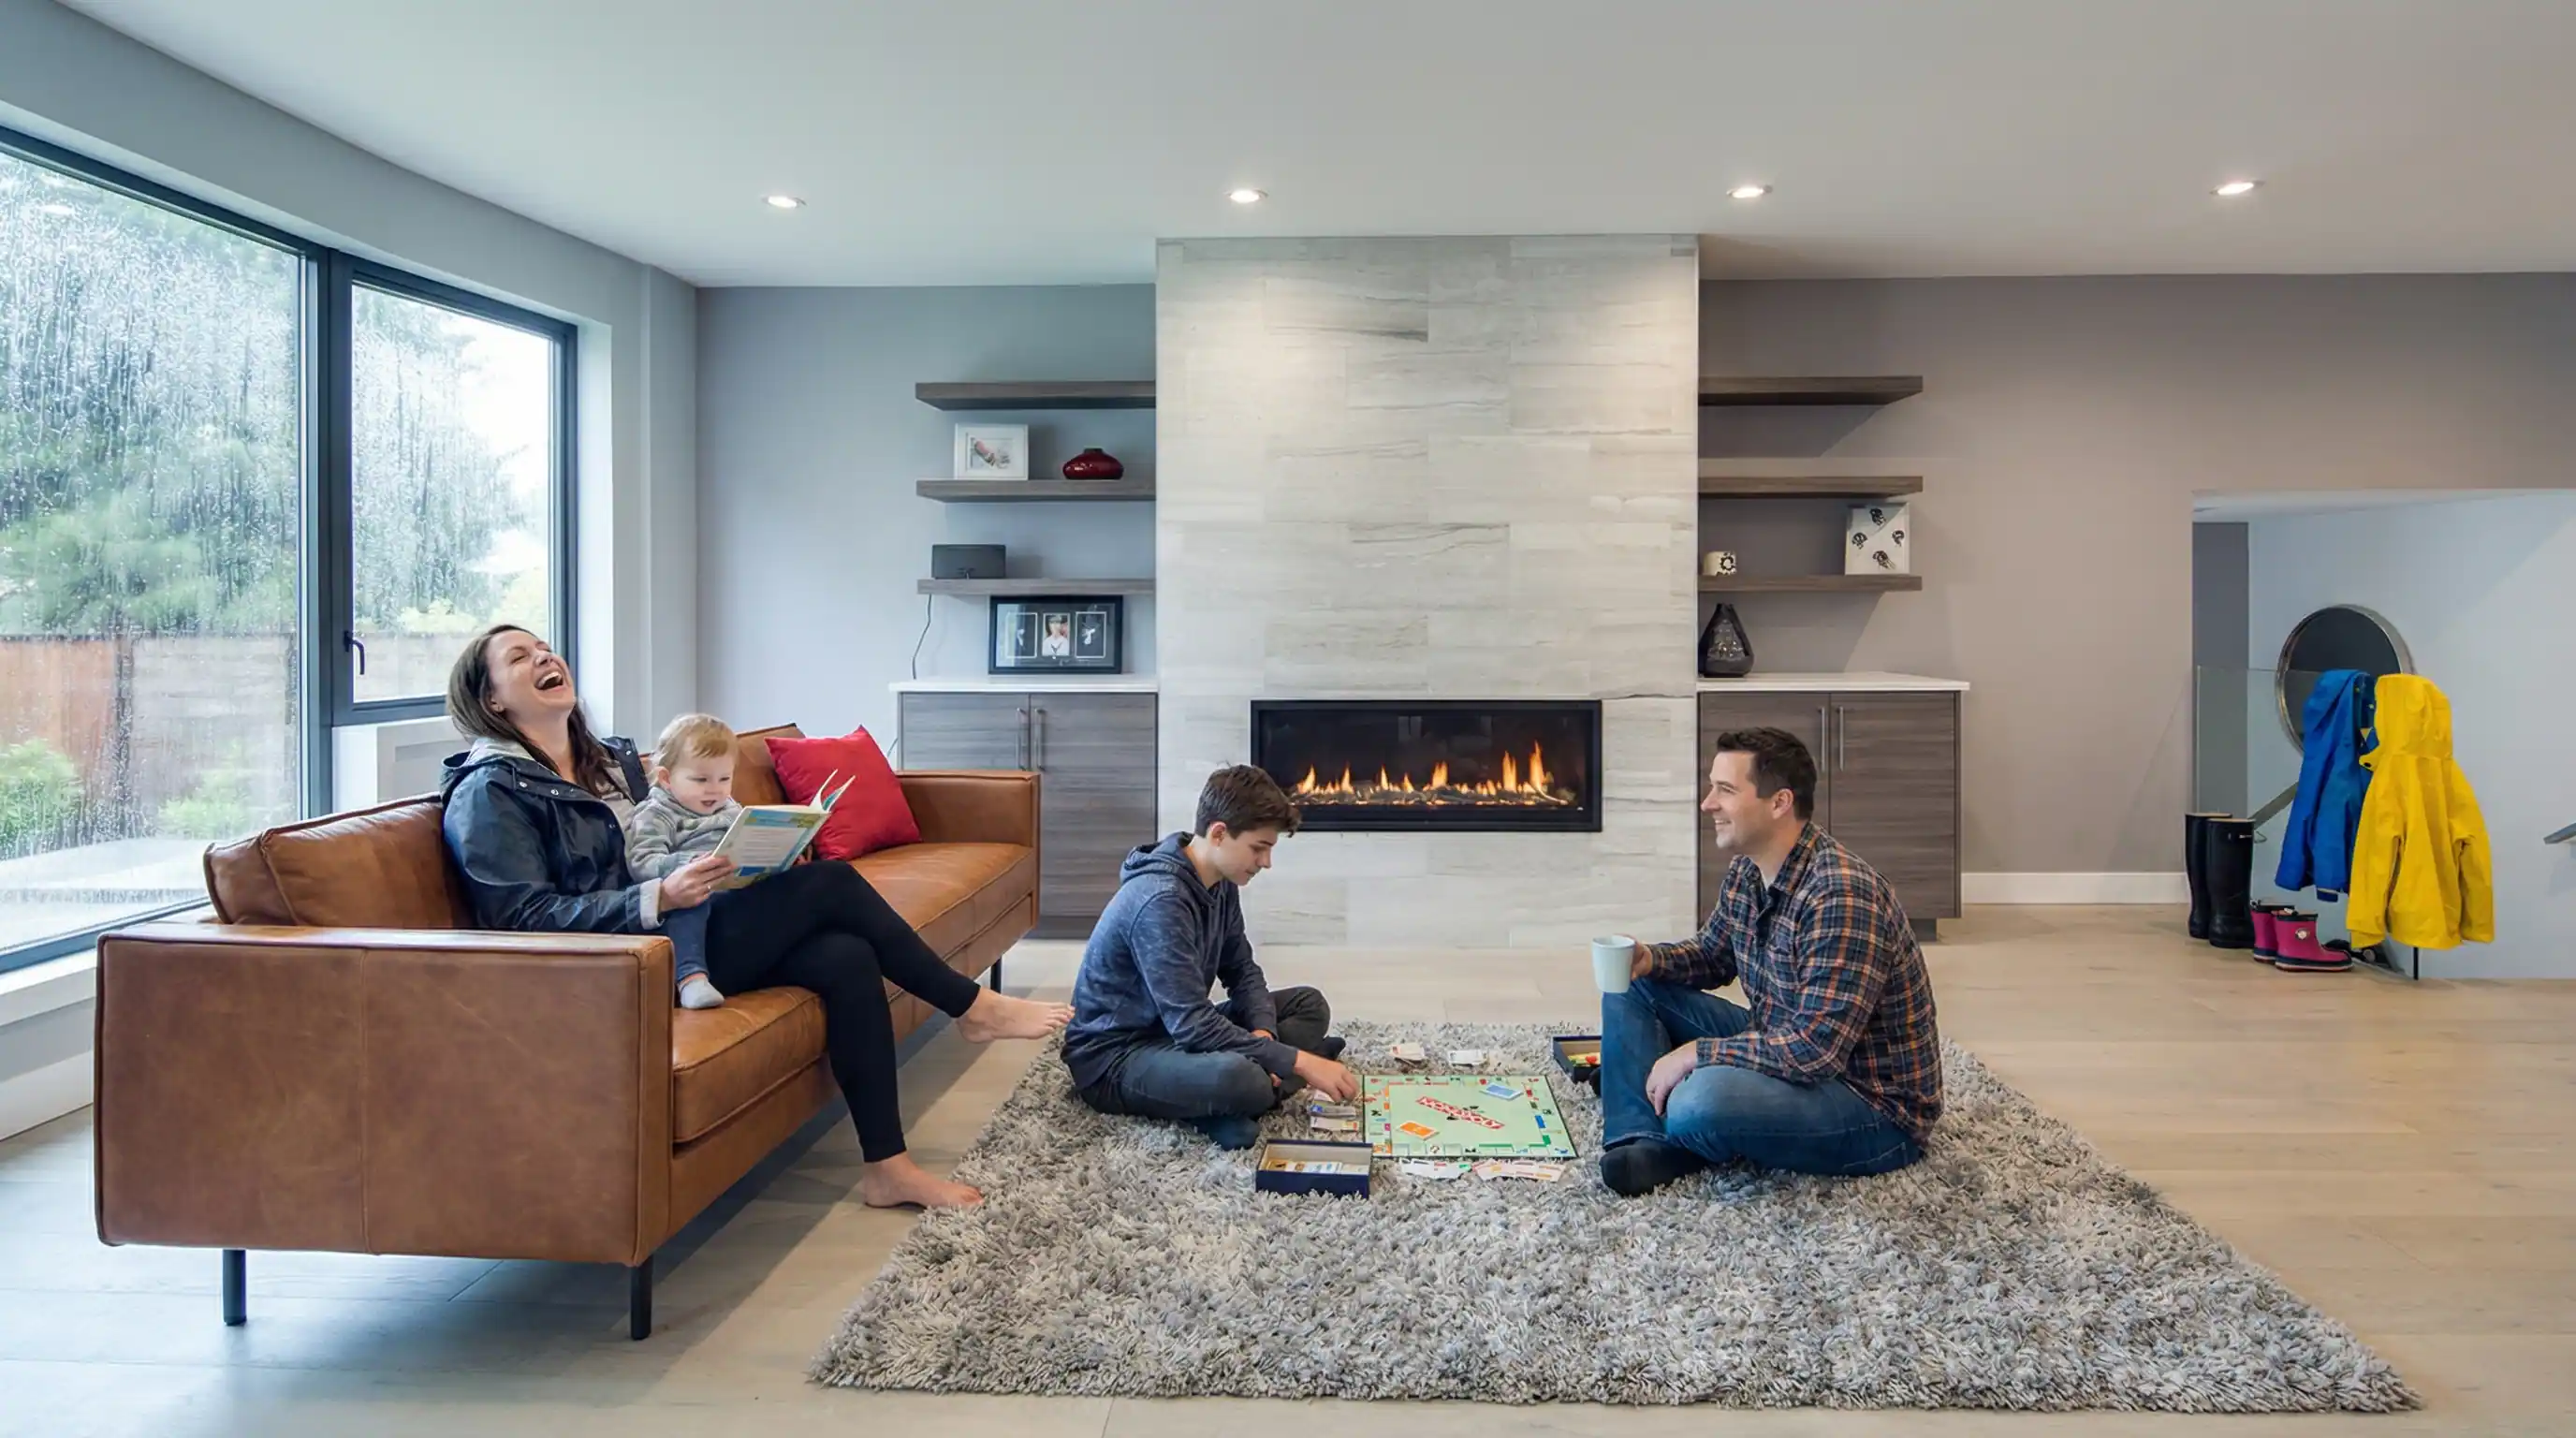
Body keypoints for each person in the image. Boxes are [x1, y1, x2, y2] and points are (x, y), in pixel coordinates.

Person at [437, 624, 1071, 1210]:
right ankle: (971, 1007)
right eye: (520, 658)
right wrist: (658, 896)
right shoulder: (490, 790)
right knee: (830, 884)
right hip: (624, 963)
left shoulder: (610, 762)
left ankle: (888, 1168)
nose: (545, 656)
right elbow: (521, 915)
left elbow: (674, 833)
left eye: (545, 646)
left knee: (846, 956)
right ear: (491, 701)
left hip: (683, 929)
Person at [1598, 726, 1940, 1195]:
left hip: (1869, 1108)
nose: (1707, 804)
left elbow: (1815, 1052)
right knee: (1634, 985)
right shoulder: (1749, 869)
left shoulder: (1840, 894)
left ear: (1779, 803)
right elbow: (1713, 957)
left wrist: (1696, 1054)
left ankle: (1677, 1122)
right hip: (1782, 1049)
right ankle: (1641, 1141)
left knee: (1699, 1098)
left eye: (1725, 790)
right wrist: (1648, 959)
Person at [1063, 765, 1356, 1149]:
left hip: (1176, 1033)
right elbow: (1193, 1026)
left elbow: (1242, 971)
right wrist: (1297, 1061)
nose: (1265, 863)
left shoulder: (1220, 881)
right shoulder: (1161, 900)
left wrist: (1264, 1035)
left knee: (1308, 1004)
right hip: (1115, 1057)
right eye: (1259, 848)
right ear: (1219, 834)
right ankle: (1234, 1098)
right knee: (1242, 1078)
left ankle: (1220, 1106)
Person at [624, 712, 742, 1010]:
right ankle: (691, 978)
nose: (714, 788)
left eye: (724, 778)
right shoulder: (655, 814)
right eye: (701, 779)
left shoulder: (728, 806)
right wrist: (686, 864)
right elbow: (642, 861)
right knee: (690, 899)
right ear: (666, 778)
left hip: (734, 895)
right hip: (693, 897)